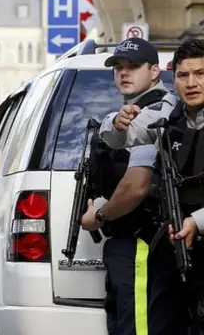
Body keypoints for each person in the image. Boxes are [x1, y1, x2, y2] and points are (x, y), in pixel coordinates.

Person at [98, 39, 204, 335]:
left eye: (200, 74)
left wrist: (197, 221)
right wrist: (116, 122)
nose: (191, 83)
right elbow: (118, 137)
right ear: (174, 79)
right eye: (182, 75)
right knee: (161, 326)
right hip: (171, 244)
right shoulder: (169, 117)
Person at [79, 37, 170, 335]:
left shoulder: (158, 114)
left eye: (133, 66)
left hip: (143, 239)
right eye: (119, 67)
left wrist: (98, 217)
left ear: (155, 71)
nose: (124, 72)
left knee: (137, 327)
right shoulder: (126, 114)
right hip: (129, 240)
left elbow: (136, 188)